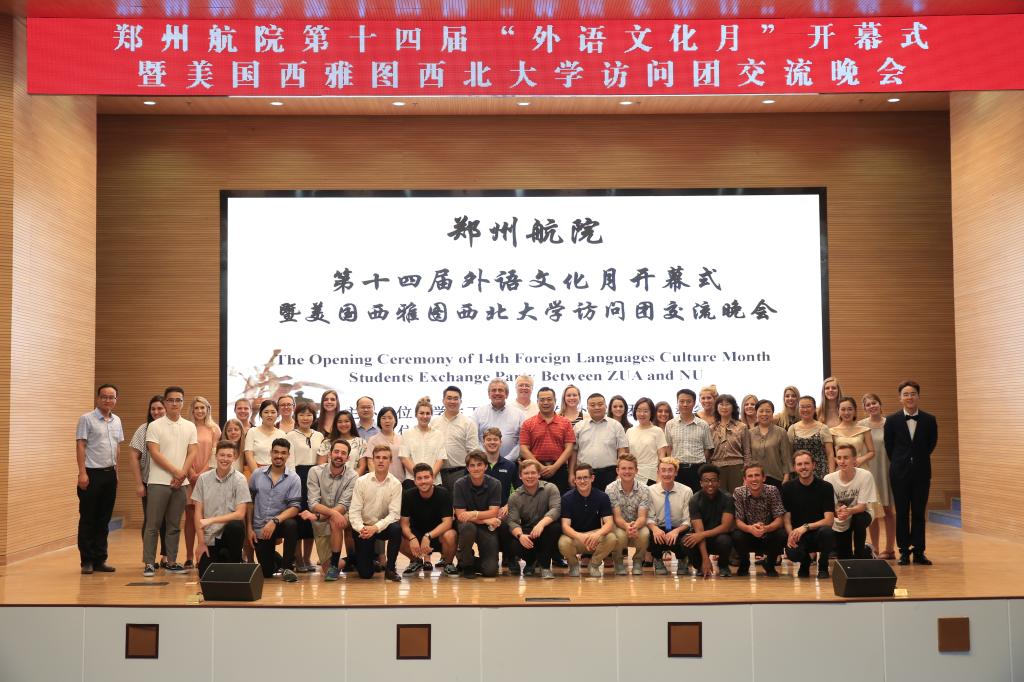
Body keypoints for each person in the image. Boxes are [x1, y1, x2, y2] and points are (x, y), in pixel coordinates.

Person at [143, 386, 198, 576]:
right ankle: (149, 563)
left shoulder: (190, 426)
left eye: (178, 400)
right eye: (171, 400)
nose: (175, 403)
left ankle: (172, 561)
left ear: (183, 403)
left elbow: (192, 452)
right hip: (158, 481)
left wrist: (182, 475)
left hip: (181, 483)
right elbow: (154, 452)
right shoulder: (155, 426)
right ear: (165, 402)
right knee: (153, 524)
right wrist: (176, 472)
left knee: (174, 525)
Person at [883, 380, 938, 566]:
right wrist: (902, 461)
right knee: (902, 512)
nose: (909, 397)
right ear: (900, 398)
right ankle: (904, 551)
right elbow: (889, 446)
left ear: (918, 396)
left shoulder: (930, 420)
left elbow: (931, 444)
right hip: (899, 473)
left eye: (913, 393)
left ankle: (919, 551)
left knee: (919, 512)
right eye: (905, 394)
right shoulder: (892, 420)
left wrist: (917, 459)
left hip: (922, 472)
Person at [76, 384, 123, 574]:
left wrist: (116, 472)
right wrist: (82, 472)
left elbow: (117, 448)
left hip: (110, 474)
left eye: (112, 397)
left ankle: (100, 559)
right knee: (88, 518)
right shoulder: (86, 419)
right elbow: (81, 445)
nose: (108, 400)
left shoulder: (117, 420)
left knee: (104, 519)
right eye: (104, 397)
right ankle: (87, 561)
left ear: (116, 400)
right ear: (98, 398)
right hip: (91, 473)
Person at [191, 440, 250, 577]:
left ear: (234, 458)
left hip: (230, 536)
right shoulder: (203, 479)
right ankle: (222, 559)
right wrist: (201, 543)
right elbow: (198, 513)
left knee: (236, 526)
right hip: (211, 537)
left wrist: (211, 520)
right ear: (216, 456)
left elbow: (240, 514)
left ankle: (235, 562)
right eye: (222, 455)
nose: (225, 459)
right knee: (206, 575)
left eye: (229, 456)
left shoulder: (240, 479)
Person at [302, 438, 358, 580]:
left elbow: (344, 505)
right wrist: (330, 513)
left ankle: (334, 564)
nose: (339, 455)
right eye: (336, 452)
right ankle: (353, 560)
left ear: (348, 458)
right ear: (330, 454)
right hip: (321, 520)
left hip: (343, 515)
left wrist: (320, 515)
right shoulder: (315, 471)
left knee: (335, 521)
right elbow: (313, 504)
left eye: (343, 453)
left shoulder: (353, 476)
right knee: (325, 570)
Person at [248, 438, 301, 582]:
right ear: (270, 453)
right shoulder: (257, 474)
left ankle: (287, 567)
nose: (279, 456)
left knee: (291, 524)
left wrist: (274, 521)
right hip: (260, 526)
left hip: (279, 524)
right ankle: (277, 561)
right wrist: (249, 528)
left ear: (288, 455)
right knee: (266, 572)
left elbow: (295, 508)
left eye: (283, 453)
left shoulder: (294, 478)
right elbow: (249, 503)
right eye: (276, 452)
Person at [348, 444, 403, 581]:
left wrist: (376, 528)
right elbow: (354, 511)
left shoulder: (396, 484)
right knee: (365, 574)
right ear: (372, 460)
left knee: (396, 529)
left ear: (390, 461)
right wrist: (362, 528)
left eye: (385, 458)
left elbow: (394, 514)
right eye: (377, 457)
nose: (381, 461)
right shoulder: (361, 481)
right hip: (364, 529)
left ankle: (390, 569)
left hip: (382, 527)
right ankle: (362, 560)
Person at [127, 395, 168, 568]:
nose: (156, 412)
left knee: (168, 521)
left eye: (160, 408)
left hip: (171, 482)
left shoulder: (174, 428)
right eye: (153, 409)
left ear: (166, 409)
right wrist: (139, 484)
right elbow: (133, 456)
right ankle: (149, 560)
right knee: (151, 521)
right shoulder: (143, 429)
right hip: (149, 482)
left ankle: (166, 557)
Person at [782, 450, 836, 578]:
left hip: (818, 533)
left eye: (806, 463)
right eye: (799, 464)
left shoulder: (826, 487)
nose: (803, 467)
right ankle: (805, 562)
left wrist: (805, 527)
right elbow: (787, 518)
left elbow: (829, 520)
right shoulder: (787, 488)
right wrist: (791, 534)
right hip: (798, 535)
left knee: (828, 532)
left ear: (813, 465)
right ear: (795, 467)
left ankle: (823, 565)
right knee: (792, 553)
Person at [559, 463, 616, 577]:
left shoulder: (602, 497)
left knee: (611, 538)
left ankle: (594, 564)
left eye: (585, 477)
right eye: (579, 478)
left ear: (592, 478)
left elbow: (609, 523)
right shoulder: (566, 498)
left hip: (594, 537)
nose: (582, 481)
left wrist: (598, 534)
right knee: (563, 543)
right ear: (575, 480)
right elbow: (565, 526)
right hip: (575, 537)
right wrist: (579, 536)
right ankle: (574, 565)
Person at [286, 402, 324, 573]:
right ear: (296, 417)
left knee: (311, 520)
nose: (305, 418)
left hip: (315, 477)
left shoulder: (319, 435)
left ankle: (308, 558)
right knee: (298, 519)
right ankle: (298, 558)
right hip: (297, 477)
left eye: (309, 414)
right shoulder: (290, 436)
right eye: (302, 414)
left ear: (314, 417)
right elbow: (290, 461)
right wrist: (293, 481)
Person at [507, 459, 561, 579]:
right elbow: (512, 521)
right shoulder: (514, 496)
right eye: (526, 473)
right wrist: (520, 536)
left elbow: (556, 509)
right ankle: (530, 562)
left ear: (539, 474)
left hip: (545, 530)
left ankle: (545, 566)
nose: (530, 476)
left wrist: (541, 524)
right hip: (527, 532)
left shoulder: (550, 488)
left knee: (555, 527)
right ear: (520, 476)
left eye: (533, 473)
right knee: (514, 543)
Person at [400, 463, 457, 576]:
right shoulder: (408, 495)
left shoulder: (443, 493)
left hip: (438, 535)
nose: (423, 481)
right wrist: (411, 537)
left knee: (451, 535)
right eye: (419, 478)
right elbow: (404, 524)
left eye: (426, 477)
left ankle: (448, 563)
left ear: (433, 478)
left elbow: (447, 523)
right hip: (417, 535)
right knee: (397, 534)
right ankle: (416, 561)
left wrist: (428, 536)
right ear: (415, 481)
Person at [452, 450, 502, 578]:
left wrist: (473, 513)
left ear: (486, 466)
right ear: (468, 468)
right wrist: (485, 519)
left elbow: (494, 512)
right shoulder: (459, 484)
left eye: (479, 464)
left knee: (490, 571)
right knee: (468, 527)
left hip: (486, 527)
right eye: (472, 465)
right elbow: (461, 515)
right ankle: (467, 565)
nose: (476, 468)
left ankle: (463, 558)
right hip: (468, 525)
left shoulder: (495, 483)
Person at [184, 396, 221, 570]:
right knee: (190, 517)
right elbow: (184, 451)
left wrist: (202, 473)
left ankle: (204, 554)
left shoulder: (214, 429)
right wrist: (190, 472)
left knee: (205, 516)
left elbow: (215, 454)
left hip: (207, 476)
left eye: (202, 408)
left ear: (208, 410)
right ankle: (189, 556)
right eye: (196, 408)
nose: (199, 411)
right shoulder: (186, 427)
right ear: (192, 410)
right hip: (189, 476)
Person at [731, 463, 786, 577]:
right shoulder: (738, 492)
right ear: (745, 479)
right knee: (736, 535)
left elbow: (779, 519)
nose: (754, 479)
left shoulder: (772, 490)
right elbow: (738, 521)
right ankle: (744, 563)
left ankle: (770, 564)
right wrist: (750, 529)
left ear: (764, 478)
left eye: (757, 475)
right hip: (748, 534)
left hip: (768, 533)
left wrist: (766, 528)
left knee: (781, 534)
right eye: (750, 476)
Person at [824, 444, 878, 560]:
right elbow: (830, 508)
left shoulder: (865, 475)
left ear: (854, 459)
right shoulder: (828, 479)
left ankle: (860, 554)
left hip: (862, 513)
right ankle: (866, 551)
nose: (842, 461)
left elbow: (862, 506)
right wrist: (838, 513)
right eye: (839, 458)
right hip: (840, 517)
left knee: (859, 519)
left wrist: (848, 511)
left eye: (846, 458)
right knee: (844, 558)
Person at [519, 386, 576, 493]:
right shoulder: (528, 423)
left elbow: (569, 448)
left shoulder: (566, 423)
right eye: (542, 400)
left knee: (560, 501)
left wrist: (555, 467)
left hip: (560, 470)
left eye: (549, 399)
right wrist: (539, 467)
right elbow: (523, 449)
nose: (545, 402)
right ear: (537, 402)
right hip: (535, 471)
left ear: (555, 401)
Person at [859, 392, 896, 560]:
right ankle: (875, 549)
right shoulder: (861, 425)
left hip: (886, 470)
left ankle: (890, 549)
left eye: (874, 403)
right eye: (868, 404)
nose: (872, 406)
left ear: (880, 404)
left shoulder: (890, 423)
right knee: (872, 512)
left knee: (888, 510)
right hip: (868, 472)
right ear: (864, 408)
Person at [683, 464, 736, 578]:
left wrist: (702, 534)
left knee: (725, 540)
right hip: (702, 538)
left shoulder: (727, 498)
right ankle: (700, 566)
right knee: (686, 541)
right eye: (706, 481)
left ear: (719, 482)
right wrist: (705, 558)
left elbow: (725, 527)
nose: (710, 484)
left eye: (713, 480)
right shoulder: (695, 500)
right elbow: (699, 530)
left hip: (719, 537)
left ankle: (723, 565)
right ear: (701, 483)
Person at [482, 427, 521, 574]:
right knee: (490, 566)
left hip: (503, 511)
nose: (492, 442)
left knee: (507, 524)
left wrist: (508, 506)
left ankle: (510, 558)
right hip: (483, 512)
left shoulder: (510, 465)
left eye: (495, 439)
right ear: (483, 442)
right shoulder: (477, 465)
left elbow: (519, 490)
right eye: (489, 440)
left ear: (500, 442)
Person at [645, 457, 693, 576]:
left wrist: (676, 531)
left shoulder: (686, 491)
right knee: (649, 534)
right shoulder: (649, 491)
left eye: (670, 470)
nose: (666, 474)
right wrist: (655, 529)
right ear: (658, 472)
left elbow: (688, 520)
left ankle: (682, 559)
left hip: (679, 528)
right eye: (663, 470)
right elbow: (649, 517)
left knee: (686, 537)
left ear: (676, 472)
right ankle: (657, 558)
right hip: (659, 527)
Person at [606, 454, 651, 576]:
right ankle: (618, 562)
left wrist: (634, 526)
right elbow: (617, 517)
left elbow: (642, 517)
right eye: (623, 468)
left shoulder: (645, 489)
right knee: (619, 535)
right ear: (617, 470)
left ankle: (638, 561)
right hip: (619, 526)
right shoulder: (610, 489)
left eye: (630, 468)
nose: (627, 471)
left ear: (636, 470)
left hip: (637, 525)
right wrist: (627, 526)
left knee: (645, 533)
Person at [574, 393, 629, 491]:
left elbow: (622, 452)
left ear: (606, 406)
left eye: (600, 404)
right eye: (592, 405)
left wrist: (620, 474)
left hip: (610, 474)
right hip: (585, 474)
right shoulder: (578, 426)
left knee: (609, 500)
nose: (596, 407)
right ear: (587, 408)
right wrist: (571, 473)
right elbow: (573, 452)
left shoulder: (616, 425)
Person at [664, 389, 714, 492]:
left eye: (688, 401)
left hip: (697, 469)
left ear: (694, 403)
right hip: (677, 469)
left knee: (697, 498)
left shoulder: (703, 424)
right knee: (678, 498)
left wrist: (699, 464)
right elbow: (669, 448)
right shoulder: (670, 424)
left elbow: (707, 449)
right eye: (682, 401)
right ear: (677, 403)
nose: (685, 404)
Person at [434, 386, 480, 492]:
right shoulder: (434, 423)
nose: (452, 401)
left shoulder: (468, 423)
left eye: (456, 398)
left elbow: (473, 451)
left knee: (460, 502)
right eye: (449, 398)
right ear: (443, 400)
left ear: (460, 401)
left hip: (460, 473)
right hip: (438, 474)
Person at [473, 378, 525, 461]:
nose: (497, 393)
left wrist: (506, 460)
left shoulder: (519, 414)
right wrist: (486, 457)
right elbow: (474, 439)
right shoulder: (478, 413)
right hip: (484, 462)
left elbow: (522, 442)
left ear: (507, 394)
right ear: (489, 394)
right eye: (493, 390)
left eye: (500, 390)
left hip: (511, 463)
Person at [710, 394, 752, 495]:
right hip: (717, 468)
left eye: (727, 404)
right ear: (716, 407)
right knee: (720, 498)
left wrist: (746, 473)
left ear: (733, 407)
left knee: (737, 497)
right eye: (721, 404)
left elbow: (747, 452)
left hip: (737, 468)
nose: (724, 407)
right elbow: (709, 452)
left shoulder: (742, 427)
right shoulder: (711, 428)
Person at [400, 398, 446, 486]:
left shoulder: (438, 435)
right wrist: (419, 477)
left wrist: (429, 478)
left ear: (431, 415)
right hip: (412, 481)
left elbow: (440, 459)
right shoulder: (407, 434)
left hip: (434, 481)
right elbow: (405, 458)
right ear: (416, 414)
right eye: (421, 413)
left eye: (428, 413)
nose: (425, 416)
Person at [787, 395, 835, 479]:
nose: (805, 410)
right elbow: (789, 454)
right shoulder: (792, 429)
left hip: (821, 472)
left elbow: (830, 454)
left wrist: (831, 475)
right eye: (802, 407)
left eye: (808, 406)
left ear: (814, 408)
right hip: (799, 473)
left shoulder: (823, 428)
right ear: (798, 409)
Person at [626, 397, 670, 486]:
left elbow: (662, 456)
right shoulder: (629, 431)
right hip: (632, 475)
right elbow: (627, 456)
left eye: (645, 411)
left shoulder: (657, 431)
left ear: (651, 413)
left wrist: (660, 476)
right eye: (639, 410)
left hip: (651, 476)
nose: (642, 414)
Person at [749, 399, 793, 488]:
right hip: (755, 479)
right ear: (756, 413)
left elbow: (786, 458)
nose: (764, 414)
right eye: (761, 411)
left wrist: (786, 478)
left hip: (777, 478)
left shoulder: (781, 432)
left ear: (772, 413)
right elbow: (747, 457)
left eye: (768, 411)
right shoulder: (749, 433)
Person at [243, 400, 286, 474]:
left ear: (277, 414)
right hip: (255, 472)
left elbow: (284, 457)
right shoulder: (252, 431)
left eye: (273, 412)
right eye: (266, 412)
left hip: (276, 473)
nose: (269, 415)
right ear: (260, 414)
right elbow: (249, 456)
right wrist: (258, 475)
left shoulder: (282, 434)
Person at [360, 406, 404, 479]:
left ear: (395, 420)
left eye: (390, 418)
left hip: (400, 480)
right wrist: (376, 480)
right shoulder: (373, 440)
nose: (387, 421)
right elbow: (370, 462)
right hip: (380, 480)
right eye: (383, 418)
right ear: (379, 421)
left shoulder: (402, 439)